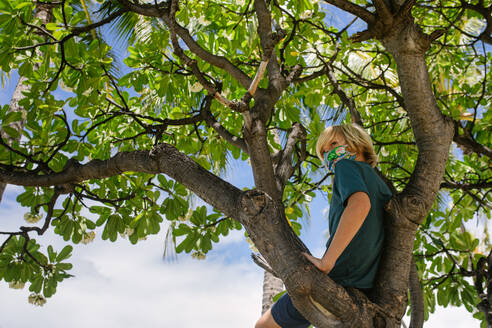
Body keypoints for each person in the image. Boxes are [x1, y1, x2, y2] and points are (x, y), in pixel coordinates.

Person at [255, 123, 392, 328]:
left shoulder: (346, 167)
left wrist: (327, 262)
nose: (329, 154)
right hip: (366, 283)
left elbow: (360, 205)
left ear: (356, 144)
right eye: (323, 152)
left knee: (264, 326)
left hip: (342, 276)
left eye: (334, 144)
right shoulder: (381, 184)